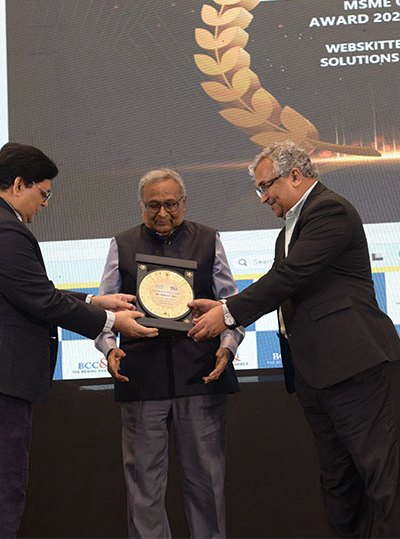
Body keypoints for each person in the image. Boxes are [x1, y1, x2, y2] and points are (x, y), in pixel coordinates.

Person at [0, 142, 157, 538]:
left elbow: (28, 290)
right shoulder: (1, 227)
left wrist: (93, 300)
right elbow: (40, 300)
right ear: (19, 184)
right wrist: (110, 319)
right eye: (43, 193)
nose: (45, 204)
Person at [188, 141, 400, 538]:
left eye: (265, 186)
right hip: (317, 376)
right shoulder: (287, 233)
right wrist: (225, 304)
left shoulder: (330, 210)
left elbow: (287, 278)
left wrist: (226, 313)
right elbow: (284, 287)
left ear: (295, 175)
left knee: (384, 481)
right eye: (259, 190)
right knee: (338, 487)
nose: (262, 198)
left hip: (357, 367)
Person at [95, 169, 244, 538]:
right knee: (143, 490)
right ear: (141, 205)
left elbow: (233, 306)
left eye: (171, 204)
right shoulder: (122, 244)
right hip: (141, 378)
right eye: (153, 206)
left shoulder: (209, 240)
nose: (163, 213)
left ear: (184, 202)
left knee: (207, 487)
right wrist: (109, 348)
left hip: (202, 374)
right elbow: (106, 309)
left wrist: (228, 347)